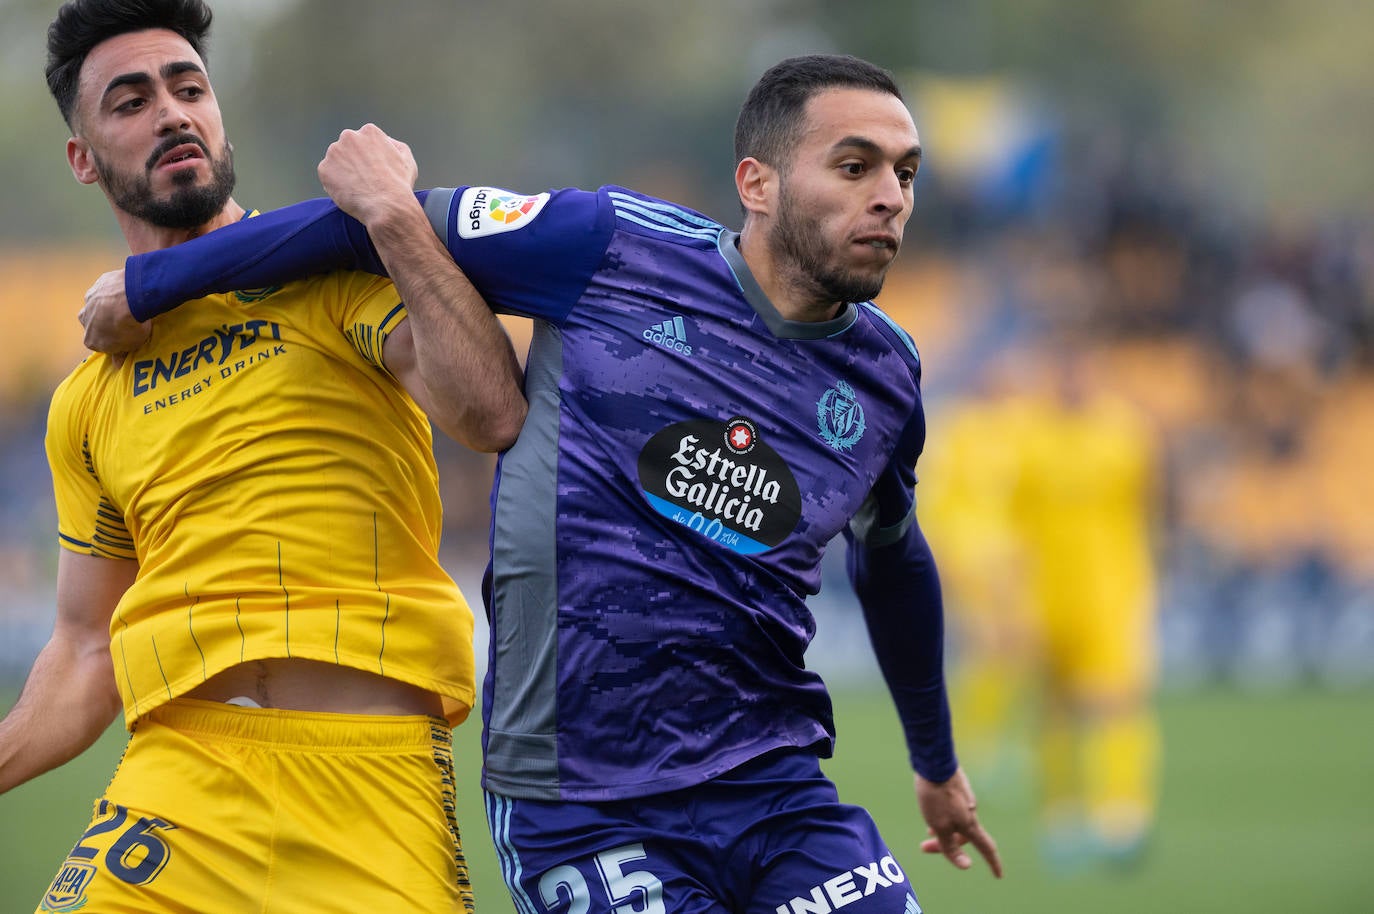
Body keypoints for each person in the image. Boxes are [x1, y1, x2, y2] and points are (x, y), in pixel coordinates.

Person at [81, 53, 1003, 912]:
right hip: (583, 803)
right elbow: (359, 227)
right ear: (756, 183)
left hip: (776, 788)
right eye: (855, 167)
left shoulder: (887, 376)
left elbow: (893, 558)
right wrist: (154, 283)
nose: (890, 198)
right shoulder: (608, 244)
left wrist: (936, 763)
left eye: (906, 173)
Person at [0, 2, 525, 912]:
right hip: (175, 789)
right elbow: (86, 649)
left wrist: (394, 216)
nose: (171, 112)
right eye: (129, 102)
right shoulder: (85, 398)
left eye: (188, 88)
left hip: (373, 788)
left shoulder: (330, 281)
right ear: (83, 158)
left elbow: (488, 410)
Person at [1007, 341, 1162, 868]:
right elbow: (1015, 519)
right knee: (1052, 710)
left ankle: (1122, 815)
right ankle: (1062, 817)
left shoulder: (1126, 432)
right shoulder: (1029, 436)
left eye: (1082, 368)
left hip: (1111, 591)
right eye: (1065, 370)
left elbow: (1152, 506)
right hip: (1045, 595)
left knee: (1116, 700)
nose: (1073, 379)